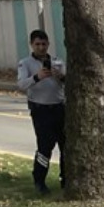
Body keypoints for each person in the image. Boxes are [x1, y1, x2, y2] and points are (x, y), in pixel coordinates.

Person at [16, 29, 66, 194]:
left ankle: (66, 179)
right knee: (45, 146)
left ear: (48, 44)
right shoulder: (25, 63)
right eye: (37, 44)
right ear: (32, 45)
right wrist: (37, 77)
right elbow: (21, 85)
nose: (41, 47)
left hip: (58, 107)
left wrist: (60, 76)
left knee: (65, 145)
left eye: (44, 44)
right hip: (40, 109)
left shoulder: (57, 61)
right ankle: (39, 181)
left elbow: (68, 81)